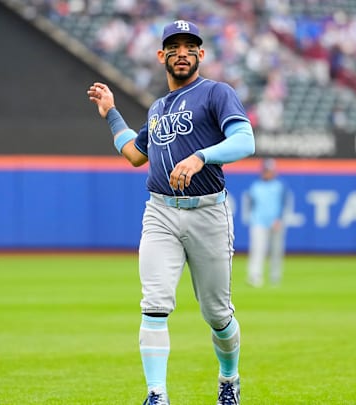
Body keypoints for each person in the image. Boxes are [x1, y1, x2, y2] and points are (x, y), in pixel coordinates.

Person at [86, 20, 255, 405]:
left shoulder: (216, 93)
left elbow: (246, 140)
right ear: (162, 55)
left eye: (190, 45)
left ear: (201, 53)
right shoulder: (159, 107)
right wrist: (112, 114)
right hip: (160, 212)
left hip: (208, 212)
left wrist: (201, 156)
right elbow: (135, 155)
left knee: (217, 314)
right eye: (174, 46)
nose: (183, 52)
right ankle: (156, 394)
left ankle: (229, 379)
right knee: (155, 304)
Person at [245, 158, 290, 287]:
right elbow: (251, 204)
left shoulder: (280, 186)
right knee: (257, 249)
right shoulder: (255, 186)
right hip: (258, 221)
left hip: (275, 221)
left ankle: (275, 276)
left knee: (276, 251)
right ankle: (254, 276)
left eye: (269, 170)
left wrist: (279, 219)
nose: (267, 173)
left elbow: (284, 204)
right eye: (265, 170)